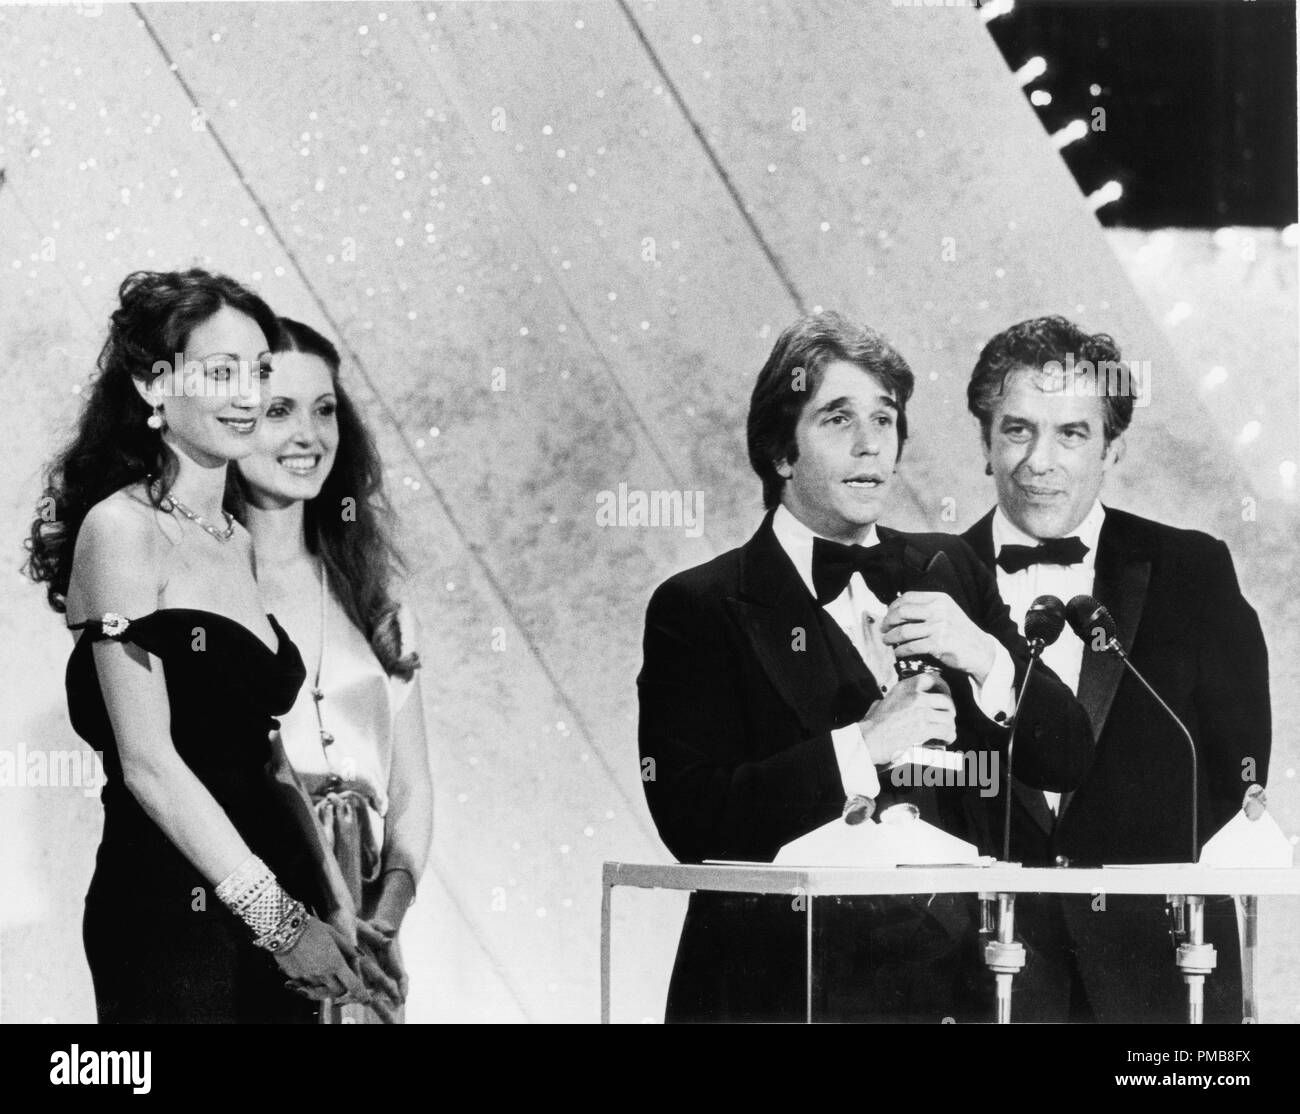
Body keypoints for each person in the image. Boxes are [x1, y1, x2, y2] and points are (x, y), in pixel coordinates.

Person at [636, 310, 1094, 1022]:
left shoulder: (952, 568)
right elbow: (693, 820)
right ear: (780, 452)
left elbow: (1068, 757)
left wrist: (984, 656)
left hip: (961, 994)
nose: (869, 445)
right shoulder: (700, 607)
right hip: (786, 995)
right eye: (837, 420)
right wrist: (861, 748)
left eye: (884, 421)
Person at [24, 268, 386, 1023]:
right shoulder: (120, 530)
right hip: (171, 913)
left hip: (281, 908)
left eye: (257, 371)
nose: (248, 395)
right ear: (154, 386)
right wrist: (282, 925)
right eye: (220, 372)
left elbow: (265, 753)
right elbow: (150, 766)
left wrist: (332, 901)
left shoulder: (235, 538)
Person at [959, 315, 1271, 1023]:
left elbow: (1234, 772)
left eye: (1072, 433)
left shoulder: (1193, 570)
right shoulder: (929, 576)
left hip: (1157, 975)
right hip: (979, 976)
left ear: (1113, 449)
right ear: (984, 441)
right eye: (1017, 429)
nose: (1040, 461)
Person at [227, 317, 433, 1024]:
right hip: (254, 895)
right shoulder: (200, 586)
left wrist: (387, 914)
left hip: (367, 905)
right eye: (278, 410)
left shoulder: (370, 594)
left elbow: (411, 791)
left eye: (324, 410)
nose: (308, 434)